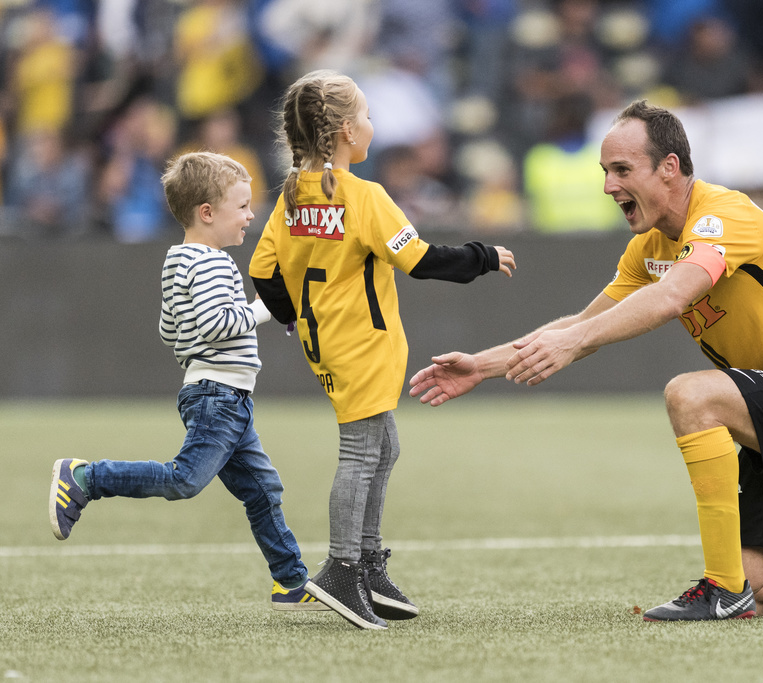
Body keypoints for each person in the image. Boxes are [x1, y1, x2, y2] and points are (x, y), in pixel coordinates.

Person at [409, 99, 763, 621]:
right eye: (605, 171)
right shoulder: (647, 249)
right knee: (758, 592)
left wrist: (574, 343)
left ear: (669, 167)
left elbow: (672, 297)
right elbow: (581, 326)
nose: (608, 186)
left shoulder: (724, 215)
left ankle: (717, 588)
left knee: (690, 394)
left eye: (622, 169)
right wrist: (482, 365)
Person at [248, 70, 516, 630]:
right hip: (364, 344)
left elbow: (264, 271)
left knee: (383, 446)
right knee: (362, 452)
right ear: (346, 131)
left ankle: (367, 565)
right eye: (366, 116)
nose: (371, 125)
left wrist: (297, 316)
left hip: (326, 343)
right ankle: (342, 568)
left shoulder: (293, 196)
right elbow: (418, 258)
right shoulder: (364, 196)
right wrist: (483, 255)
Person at [48, 151, 323, 612]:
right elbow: (216, 324)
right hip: (220, 396)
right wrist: (269, 308)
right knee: (184, 480)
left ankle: (291, 581)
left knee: (262, 488)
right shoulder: (214, 263)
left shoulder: (179, 259)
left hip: (215, 393)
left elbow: (169, 330)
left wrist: (209, 340)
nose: (251, 216)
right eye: (242, 207)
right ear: (207, 213)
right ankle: (84, 478)